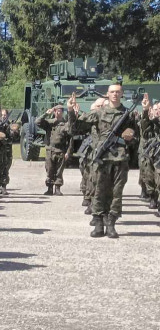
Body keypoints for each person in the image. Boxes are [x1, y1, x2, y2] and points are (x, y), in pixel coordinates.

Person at [69, 84, 139, 239]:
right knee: (99, 191)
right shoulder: (99, 113)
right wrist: (71, 111)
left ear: (122, 94)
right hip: (102, 158)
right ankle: (99, 223)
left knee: (117, 192)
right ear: (108, 94)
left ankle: (111, 224)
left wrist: (129, 137)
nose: (115, 94)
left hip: (120, 159)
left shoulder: (128, 115)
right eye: (112, 92)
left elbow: (137, 138)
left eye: (118, 92)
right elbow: (76, 128)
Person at [36, 105, 72, 195]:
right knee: (49, 169)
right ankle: (49, 188)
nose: (57, 112)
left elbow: (70, 139)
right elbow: (37, 122)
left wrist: (68, 152)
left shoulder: (65, 124)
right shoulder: (49, 123)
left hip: (60, 150)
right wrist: (46, 114)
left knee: (59, 171)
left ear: (62, 112)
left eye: (59, 111)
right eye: (55, 111)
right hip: (50, 150)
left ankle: (58, 188)